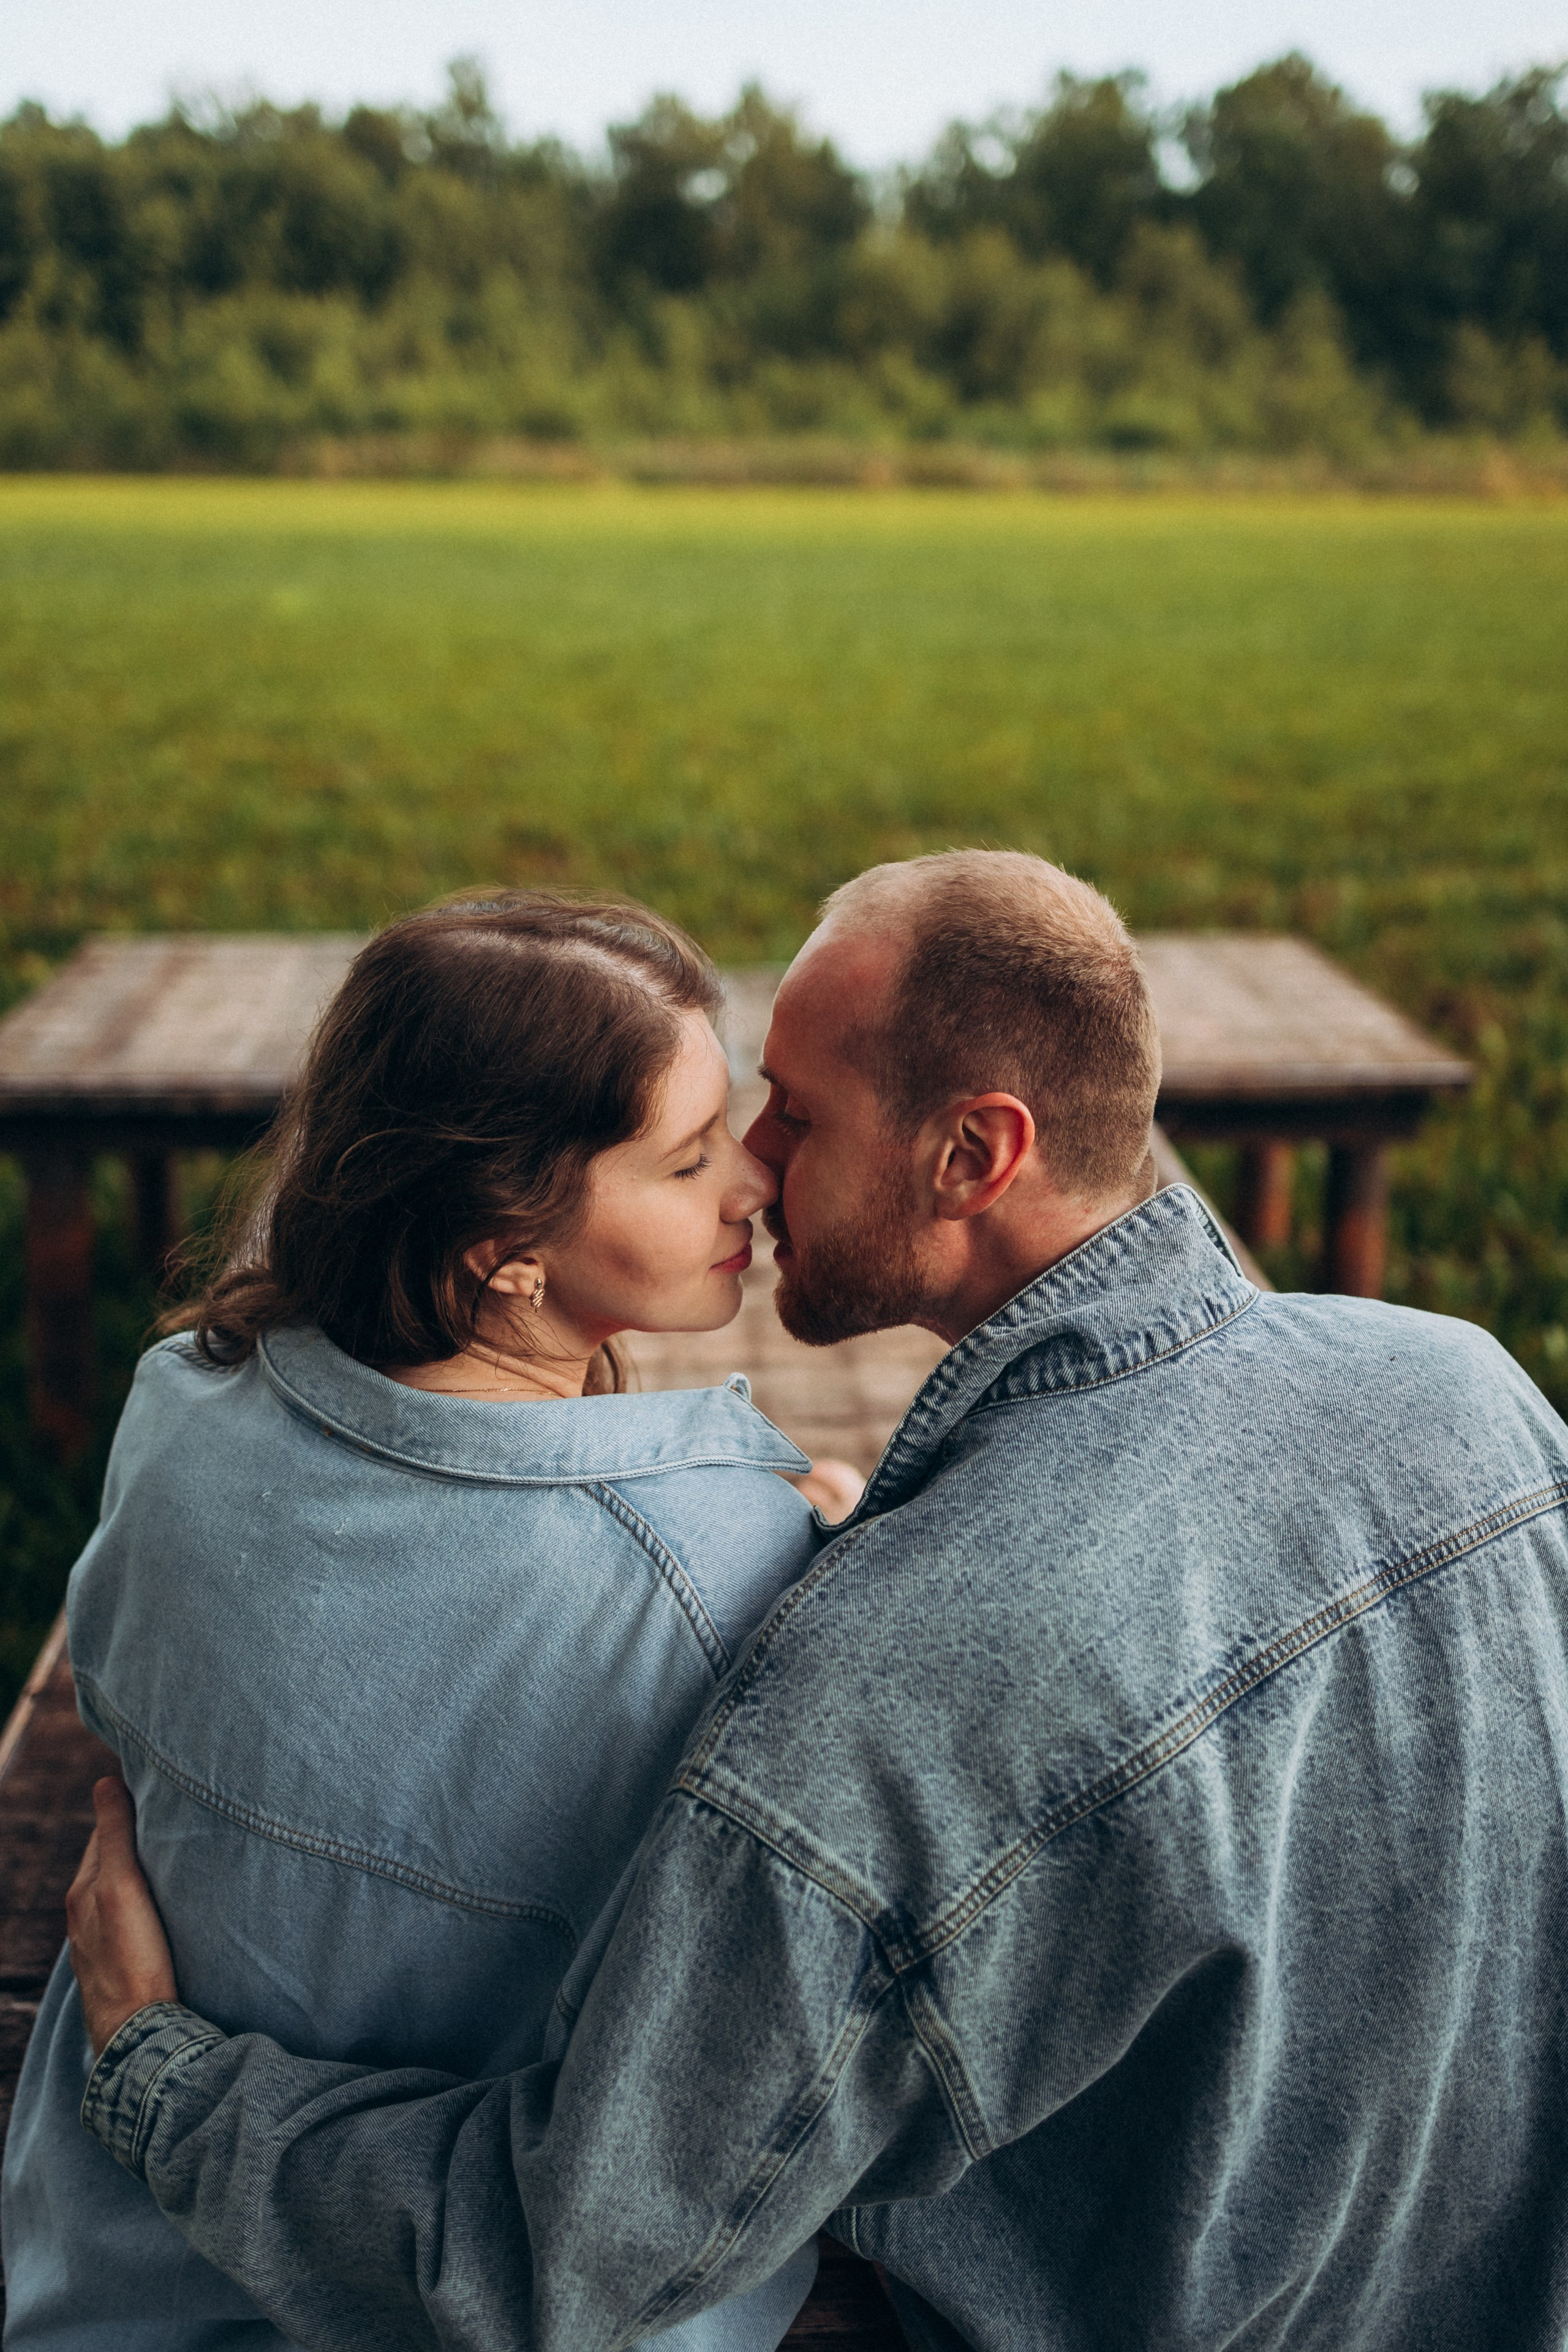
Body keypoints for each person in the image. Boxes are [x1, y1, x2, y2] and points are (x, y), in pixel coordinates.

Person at [68, 850, 1568, 2352]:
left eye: (790, 1109)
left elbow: (566, 2255)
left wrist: (158, 2080)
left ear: (971, 1155)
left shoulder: (876, 1683)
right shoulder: (1466, 1389)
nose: (761, 1161)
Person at [4, 891, 856, 2350]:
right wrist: (818, 1548)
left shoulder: (185, 1402)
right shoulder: (721, 1567)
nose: (751, 1189)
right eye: (687, 1157)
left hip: (121, 2284)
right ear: (502, 1249)